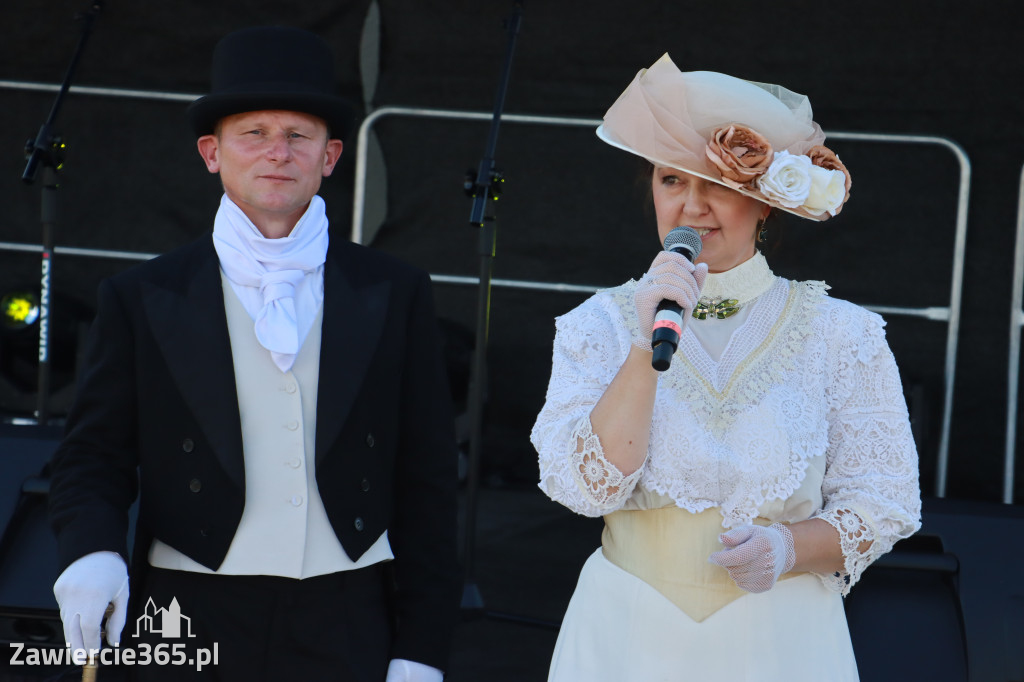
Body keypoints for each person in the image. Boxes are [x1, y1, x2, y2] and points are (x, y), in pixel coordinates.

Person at [47, 26, 460, 682]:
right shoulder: (142, 295)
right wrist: (90, 550)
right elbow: (92, 456)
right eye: (254, 133)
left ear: (330, 156)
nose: (278, 153)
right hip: (189, 608)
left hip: (347, 611)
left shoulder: (394, 291)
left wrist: (423, 646)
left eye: (298, 135)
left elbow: (429, 479)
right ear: (212, 152)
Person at [531, 54, 921, 681]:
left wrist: (789, 548)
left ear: (765, 204)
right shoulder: (598, 324)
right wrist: (642, 343)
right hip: (626, 634)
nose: (692, 206)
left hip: (783, 636)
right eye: (671, 181)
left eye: (718, 184)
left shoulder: (842, 333)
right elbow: (585, 490)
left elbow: (886, 501)